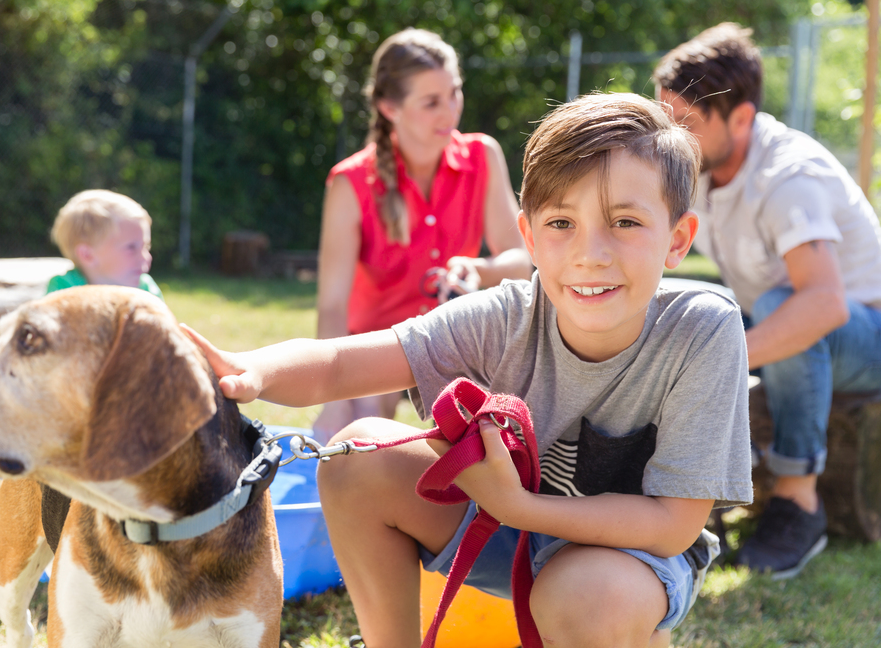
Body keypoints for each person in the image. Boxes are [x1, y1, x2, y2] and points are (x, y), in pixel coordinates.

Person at [184, 93, 753, 647]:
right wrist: (249, 369)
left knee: (587, 600)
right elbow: (340, 365)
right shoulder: (507, 315)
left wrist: (520, 506)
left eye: (625, 222)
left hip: (629, 560)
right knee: (359, 455)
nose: (591, 253)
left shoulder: (702, 328)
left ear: (677, 240)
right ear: (528, 236)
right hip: (513, 534)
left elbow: (673, 525)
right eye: (561, 224)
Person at [654, 23, 881, 579]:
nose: (669, 134)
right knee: (686, 302)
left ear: (741, 118)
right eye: (664, 116)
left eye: (685, 122)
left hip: (865, 332)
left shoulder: (787, 178)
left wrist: (724, 359)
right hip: (780, 310)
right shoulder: (699, 162)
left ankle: (799, 499)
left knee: (786, 305)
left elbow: (824, 304)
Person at [314, 28, 532, 440]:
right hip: (375, 345)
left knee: (486, 441)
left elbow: (520, 263)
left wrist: (477, 268)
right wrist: (333, 400)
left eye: (455, 92)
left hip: (452, 338)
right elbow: (331, 306)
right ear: (389, 107)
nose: (450, 111)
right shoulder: (350, 182)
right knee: (358, 434)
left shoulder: (483, 155)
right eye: (431, 102)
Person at [46, 189, 163, 299]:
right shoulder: (63, 291)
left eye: (146, 247)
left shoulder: (146, 289)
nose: (146, 257)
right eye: (131, 247)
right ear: (87, 255)